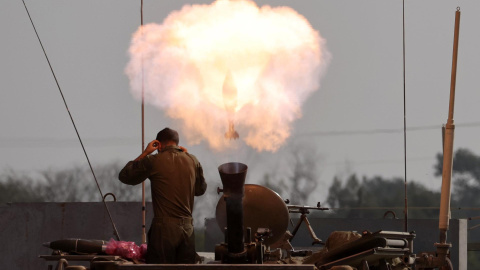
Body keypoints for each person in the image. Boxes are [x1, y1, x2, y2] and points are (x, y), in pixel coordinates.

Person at [118, 127, 207, 264]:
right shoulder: (192, 160)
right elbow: (200, 190)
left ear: (158, 144)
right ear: (177, 143)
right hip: (188, 229)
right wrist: (188, 159)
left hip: (164, 230)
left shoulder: (153, 161)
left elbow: (125, 176)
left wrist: (146, 153)